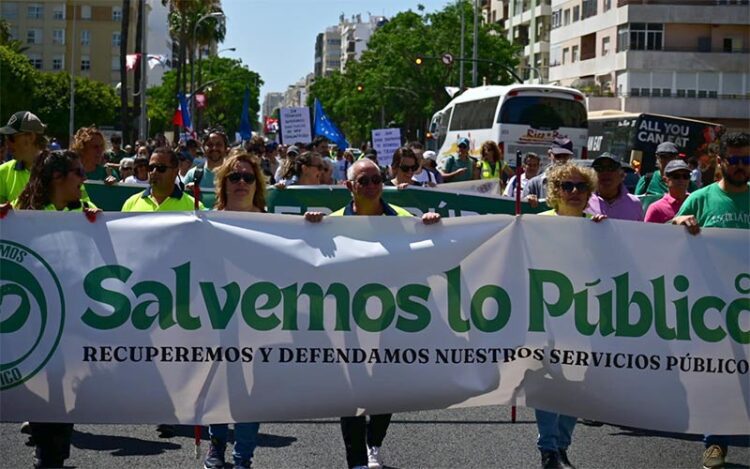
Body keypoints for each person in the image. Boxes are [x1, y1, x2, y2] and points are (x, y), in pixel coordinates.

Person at [304, 158, 439, 469]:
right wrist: (311, 228)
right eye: (362, 181)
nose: (370, 186)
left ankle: (373, 443)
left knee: (386, 386)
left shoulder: (403, 218)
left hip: (392, 316)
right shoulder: (333, 221)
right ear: (349, 186)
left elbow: (430, 247)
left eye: (376, 179)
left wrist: (432, 225)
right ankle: (356, 461)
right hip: (347, 318)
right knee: (349, 389)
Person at [10, 150, 100, 468]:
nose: (84, 178)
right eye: (78, 172)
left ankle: (53, 458)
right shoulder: (24, 216)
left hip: (72, 327)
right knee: (44, 400)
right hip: (36, 325)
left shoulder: (85, 214)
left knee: (64, 402)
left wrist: (100, 228)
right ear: (57, 178)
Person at [672, 131, 750, 468]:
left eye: (746, 160)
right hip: (714, 308)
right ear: (720, 161)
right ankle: (715, 443)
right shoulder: (701, 199)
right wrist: (679, 220)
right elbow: (665, 234)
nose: (740, 166)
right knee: (720, 376)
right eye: (734, 160)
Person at [535, 163, 605, 469]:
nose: (574, 192)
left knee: (576, 383)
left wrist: (607, 234)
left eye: (581, 187)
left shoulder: (599, 227)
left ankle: (561, 446)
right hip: (544, 316)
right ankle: (548, 448)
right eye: (567, 187)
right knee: (549, 381)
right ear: (555, 191)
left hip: (584, 317)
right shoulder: (535, 224)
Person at [203, 149, 265, 469]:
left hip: (259, 318)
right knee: (219, 383)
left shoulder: (274, 224)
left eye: (248, 177)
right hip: (218, 314)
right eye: (234, 177)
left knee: (250, 389)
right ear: (223, 183)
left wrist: (311, 225)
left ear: (257, 185)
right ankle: (216, 446)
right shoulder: (205, 221)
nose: (241, 182)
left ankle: (243, 456)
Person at [121, 146, 203, 212]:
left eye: (161, 168)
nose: (154, 172)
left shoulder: (195, 207)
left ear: (175, 172)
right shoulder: (131, 204)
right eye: (151, 167)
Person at [0, 111, 48, 204]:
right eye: (5, 138)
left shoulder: (62, 170)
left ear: (31, 137)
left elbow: (82, 203)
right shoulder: (2, 172)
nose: (7, 144)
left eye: (11, 138)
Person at [586, 152, 643, 221]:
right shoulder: (585, 201)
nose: (605, 173)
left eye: (611, 168)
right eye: (599, 168)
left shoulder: (635, 204)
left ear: (621, 175)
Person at [523, 138, 575, 206]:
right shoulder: (533, 184)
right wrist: (527, 200)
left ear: (570, 157)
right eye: (558, 156)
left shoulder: (578, 183)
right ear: (549, 155)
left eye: (565, 156)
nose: (561, 160)